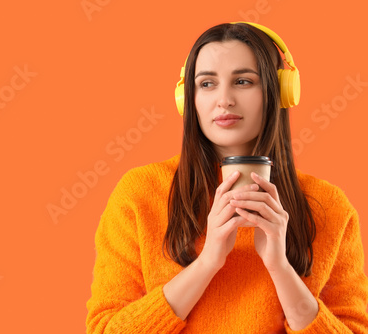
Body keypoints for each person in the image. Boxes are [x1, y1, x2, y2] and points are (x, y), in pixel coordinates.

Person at [85, 22, 368, 333]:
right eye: (207, 84)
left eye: (243, 81)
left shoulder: (330, 205)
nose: (224, 100)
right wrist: (208, 262)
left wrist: (280, 268)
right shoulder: (139, 194)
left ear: (280, 92)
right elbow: (105, 329)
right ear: (187, 98)